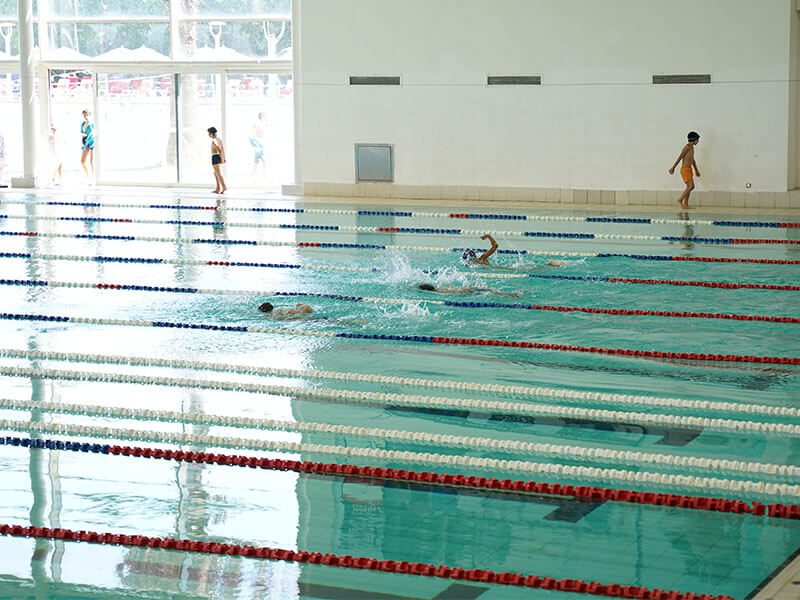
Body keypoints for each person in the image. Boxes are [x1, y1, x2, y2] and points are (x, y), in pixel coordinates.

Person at [669, 131, 701, 209]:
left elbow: (693, 160)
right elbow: (680, 157)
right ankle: (680, 200)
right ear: (694, 140)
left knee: (689, 187)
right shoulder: (686, 147)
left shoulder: (692, 148)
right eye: (697, 140)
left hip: (689, 169)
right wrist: (673, 167)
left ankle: (686, 204)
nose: (698, 142)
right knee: (691, 186)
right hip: (685, 169)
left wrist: (696, 170)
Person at [417, 283, 521, 298]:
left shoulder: (440, 292)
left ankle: (511, 295)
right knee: (492, 290)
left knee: (492, 293)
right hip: (470, 288)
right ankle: (512, 294)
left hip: (469, 291)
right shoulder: (440, 287)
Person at [208, 126, 227, 194]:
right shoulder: (218, 139)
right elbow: (222, 149)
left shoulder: (215, 140)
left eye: (209, 133)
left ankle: (224, 186)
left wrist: (214, 146)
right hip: (216, 156)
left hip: (215, 157)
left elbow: (220, 149)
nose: (208, 135)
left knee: (218, 173)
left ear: (211, 133)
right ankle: (218, 188)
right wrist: (223, 159)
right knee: (215, 173)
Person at [248, 112, 266, 179]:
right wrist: (255, 145)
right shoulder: (257, 123)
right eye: (264, 115)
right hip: (258, 145)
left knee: (262, 162)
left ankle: (264, 177)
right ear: (261, 116)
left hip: (261, 145)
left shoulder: (262, 124)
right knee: (258, 162)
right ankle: (253, 176)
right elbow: (252, 134)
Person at [80, 110, 95, 184]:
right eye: (83, 115)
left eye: (86, 115)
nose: (85, 116)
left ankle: (93, 177)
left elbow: (94, 132)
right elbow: (82, 132)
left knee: (91, 161)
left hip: (92, 142)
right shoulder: (83, 123)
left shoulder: (92, 122)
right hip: (85, 142)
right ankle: (88, 176)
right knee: (82, 161)